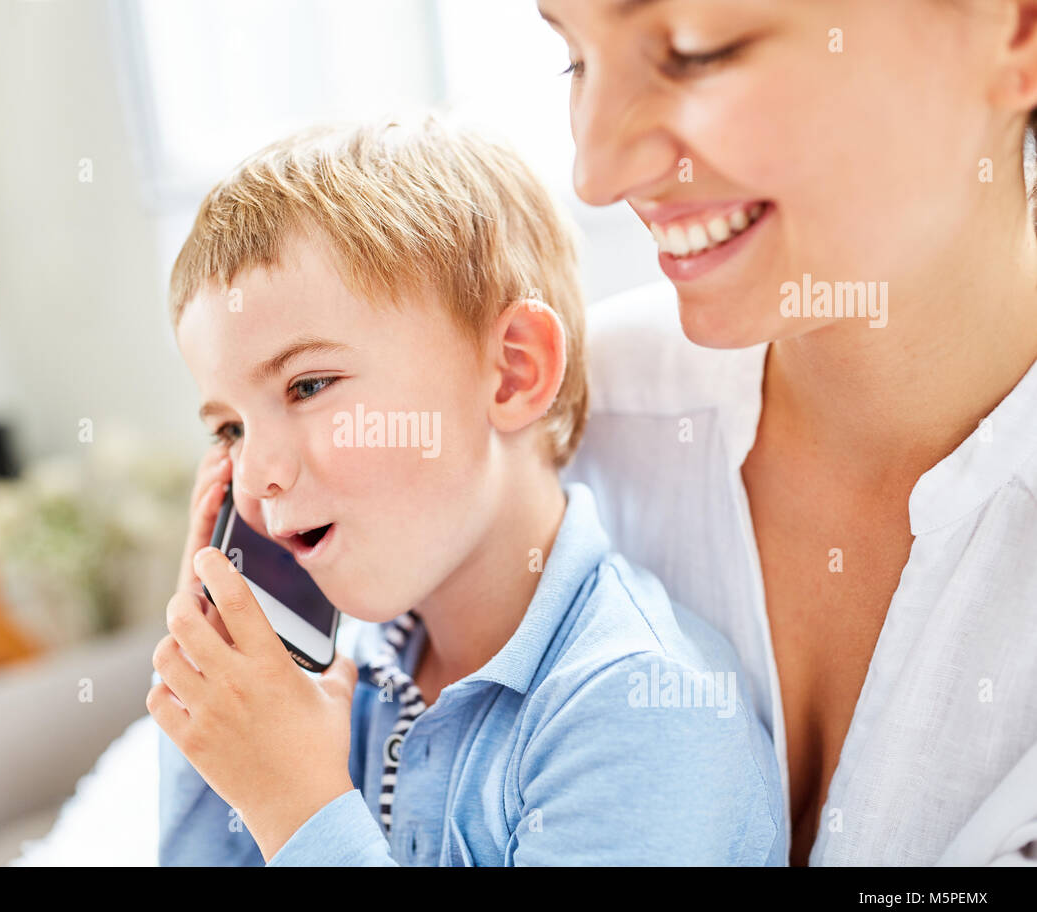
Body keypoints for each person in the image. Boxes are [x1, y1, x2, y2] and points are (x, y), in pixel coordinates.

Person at [146, 115, 784, 865]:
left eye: (308, 385)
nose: (254, 476)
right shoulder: (359, 676)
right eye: (229, 430)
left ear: (513, 372)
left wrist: (298, 804)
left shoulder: (639, 712)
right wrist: (217, 720)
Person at [540, 0, 1037, 864]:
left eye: (698, 52)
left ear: (1013, 30)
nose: (596, 170)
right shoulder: (545, 432)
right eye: (575, 60)